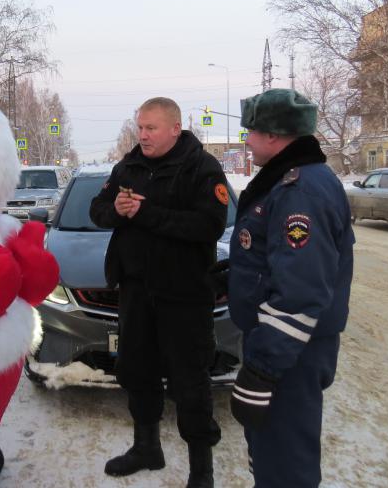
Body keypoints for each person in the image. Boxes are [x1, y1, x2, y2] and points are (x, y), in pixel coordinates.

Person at [90, 97, 229, 488]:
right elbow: (97, 210)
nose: (143, 135)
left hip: (184, 295)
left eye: (151, 128)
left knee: (190, 382)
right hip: (136, 291)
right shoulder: (128, 166)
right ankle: (146, 448)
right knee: (137, 372)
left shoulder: (201, 167)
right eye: (140, 127)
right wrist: (116, 210)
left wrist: (147, 213)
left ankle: (202, 471)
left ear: (174, 129)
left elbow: (210, 226)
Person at [227, 89, 353, 487]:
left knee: (285, 466)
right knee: (269, 455)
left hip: (290, 353)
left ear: (273, 134)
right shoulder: (286, 180)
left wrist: (262, 370)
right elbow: (274, 259)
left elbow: (301, 292)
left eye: (251, 131)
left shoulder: (299, 190)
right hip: (283, 347)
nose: (247, 140)